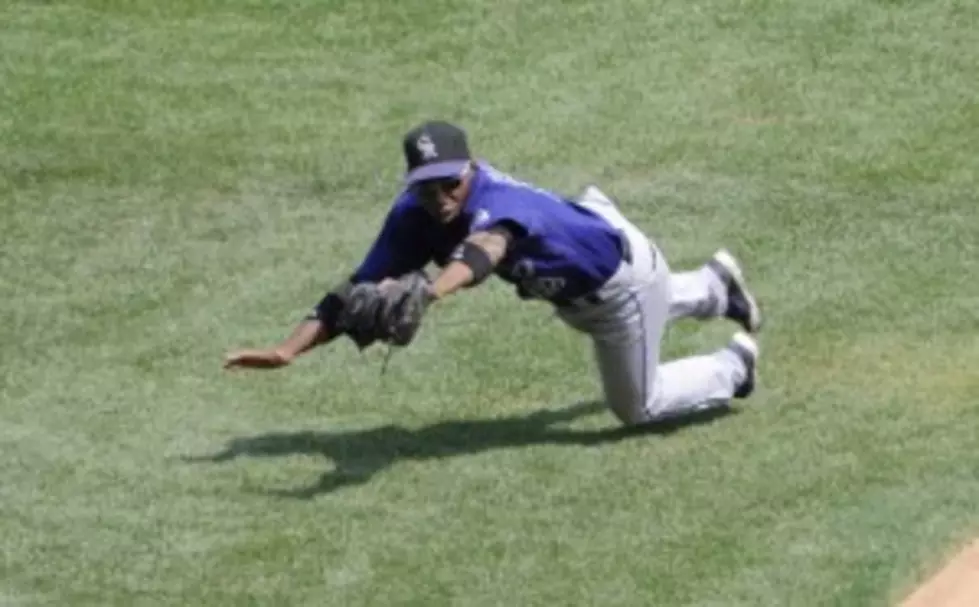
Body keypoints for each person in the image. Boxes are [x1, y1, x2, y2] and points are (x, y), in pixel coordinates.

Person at [224, 120, 763, 426]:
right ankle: (716, 287)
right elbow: (351, 294)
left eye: (449, 185)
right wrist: (287, 350)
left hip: (618, 283)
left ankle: (733, 367)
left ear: (471, 169)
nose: (439, 200)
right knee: (592, 301)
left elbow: (484, 251)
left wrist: (430, 293)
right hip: (588, 239)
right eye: (426, 188)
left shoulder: (497, 202)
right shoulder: (414, 214)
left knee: (637, 407)